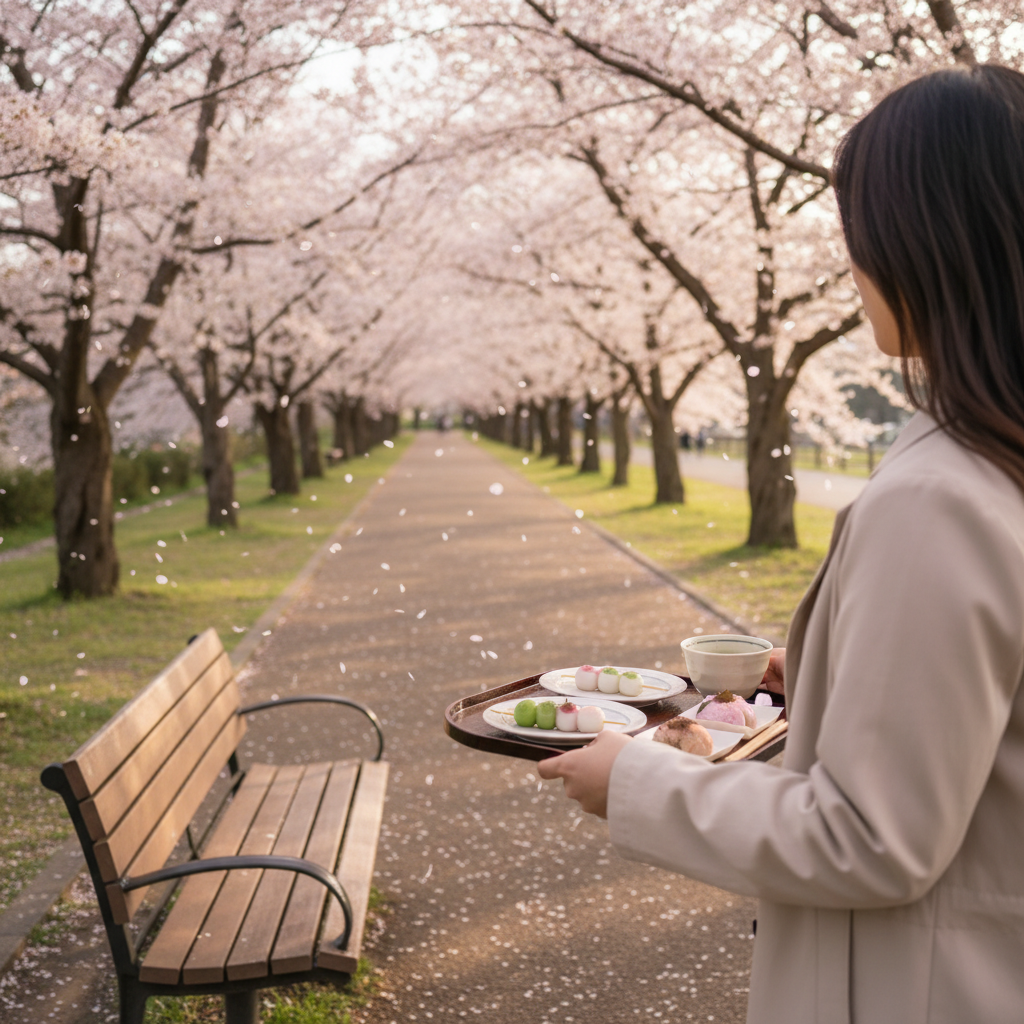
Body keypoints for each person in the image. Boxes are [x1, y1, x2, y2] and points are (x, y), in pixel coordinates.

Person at [539, 65, 1024, 1024]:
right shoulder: (995, 463)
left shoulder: (938, 498)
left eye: (860, 234)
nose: (851, 267)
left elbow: (872, 838)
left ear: (923, 245)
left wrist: (633, 783)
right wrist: (826, 679)